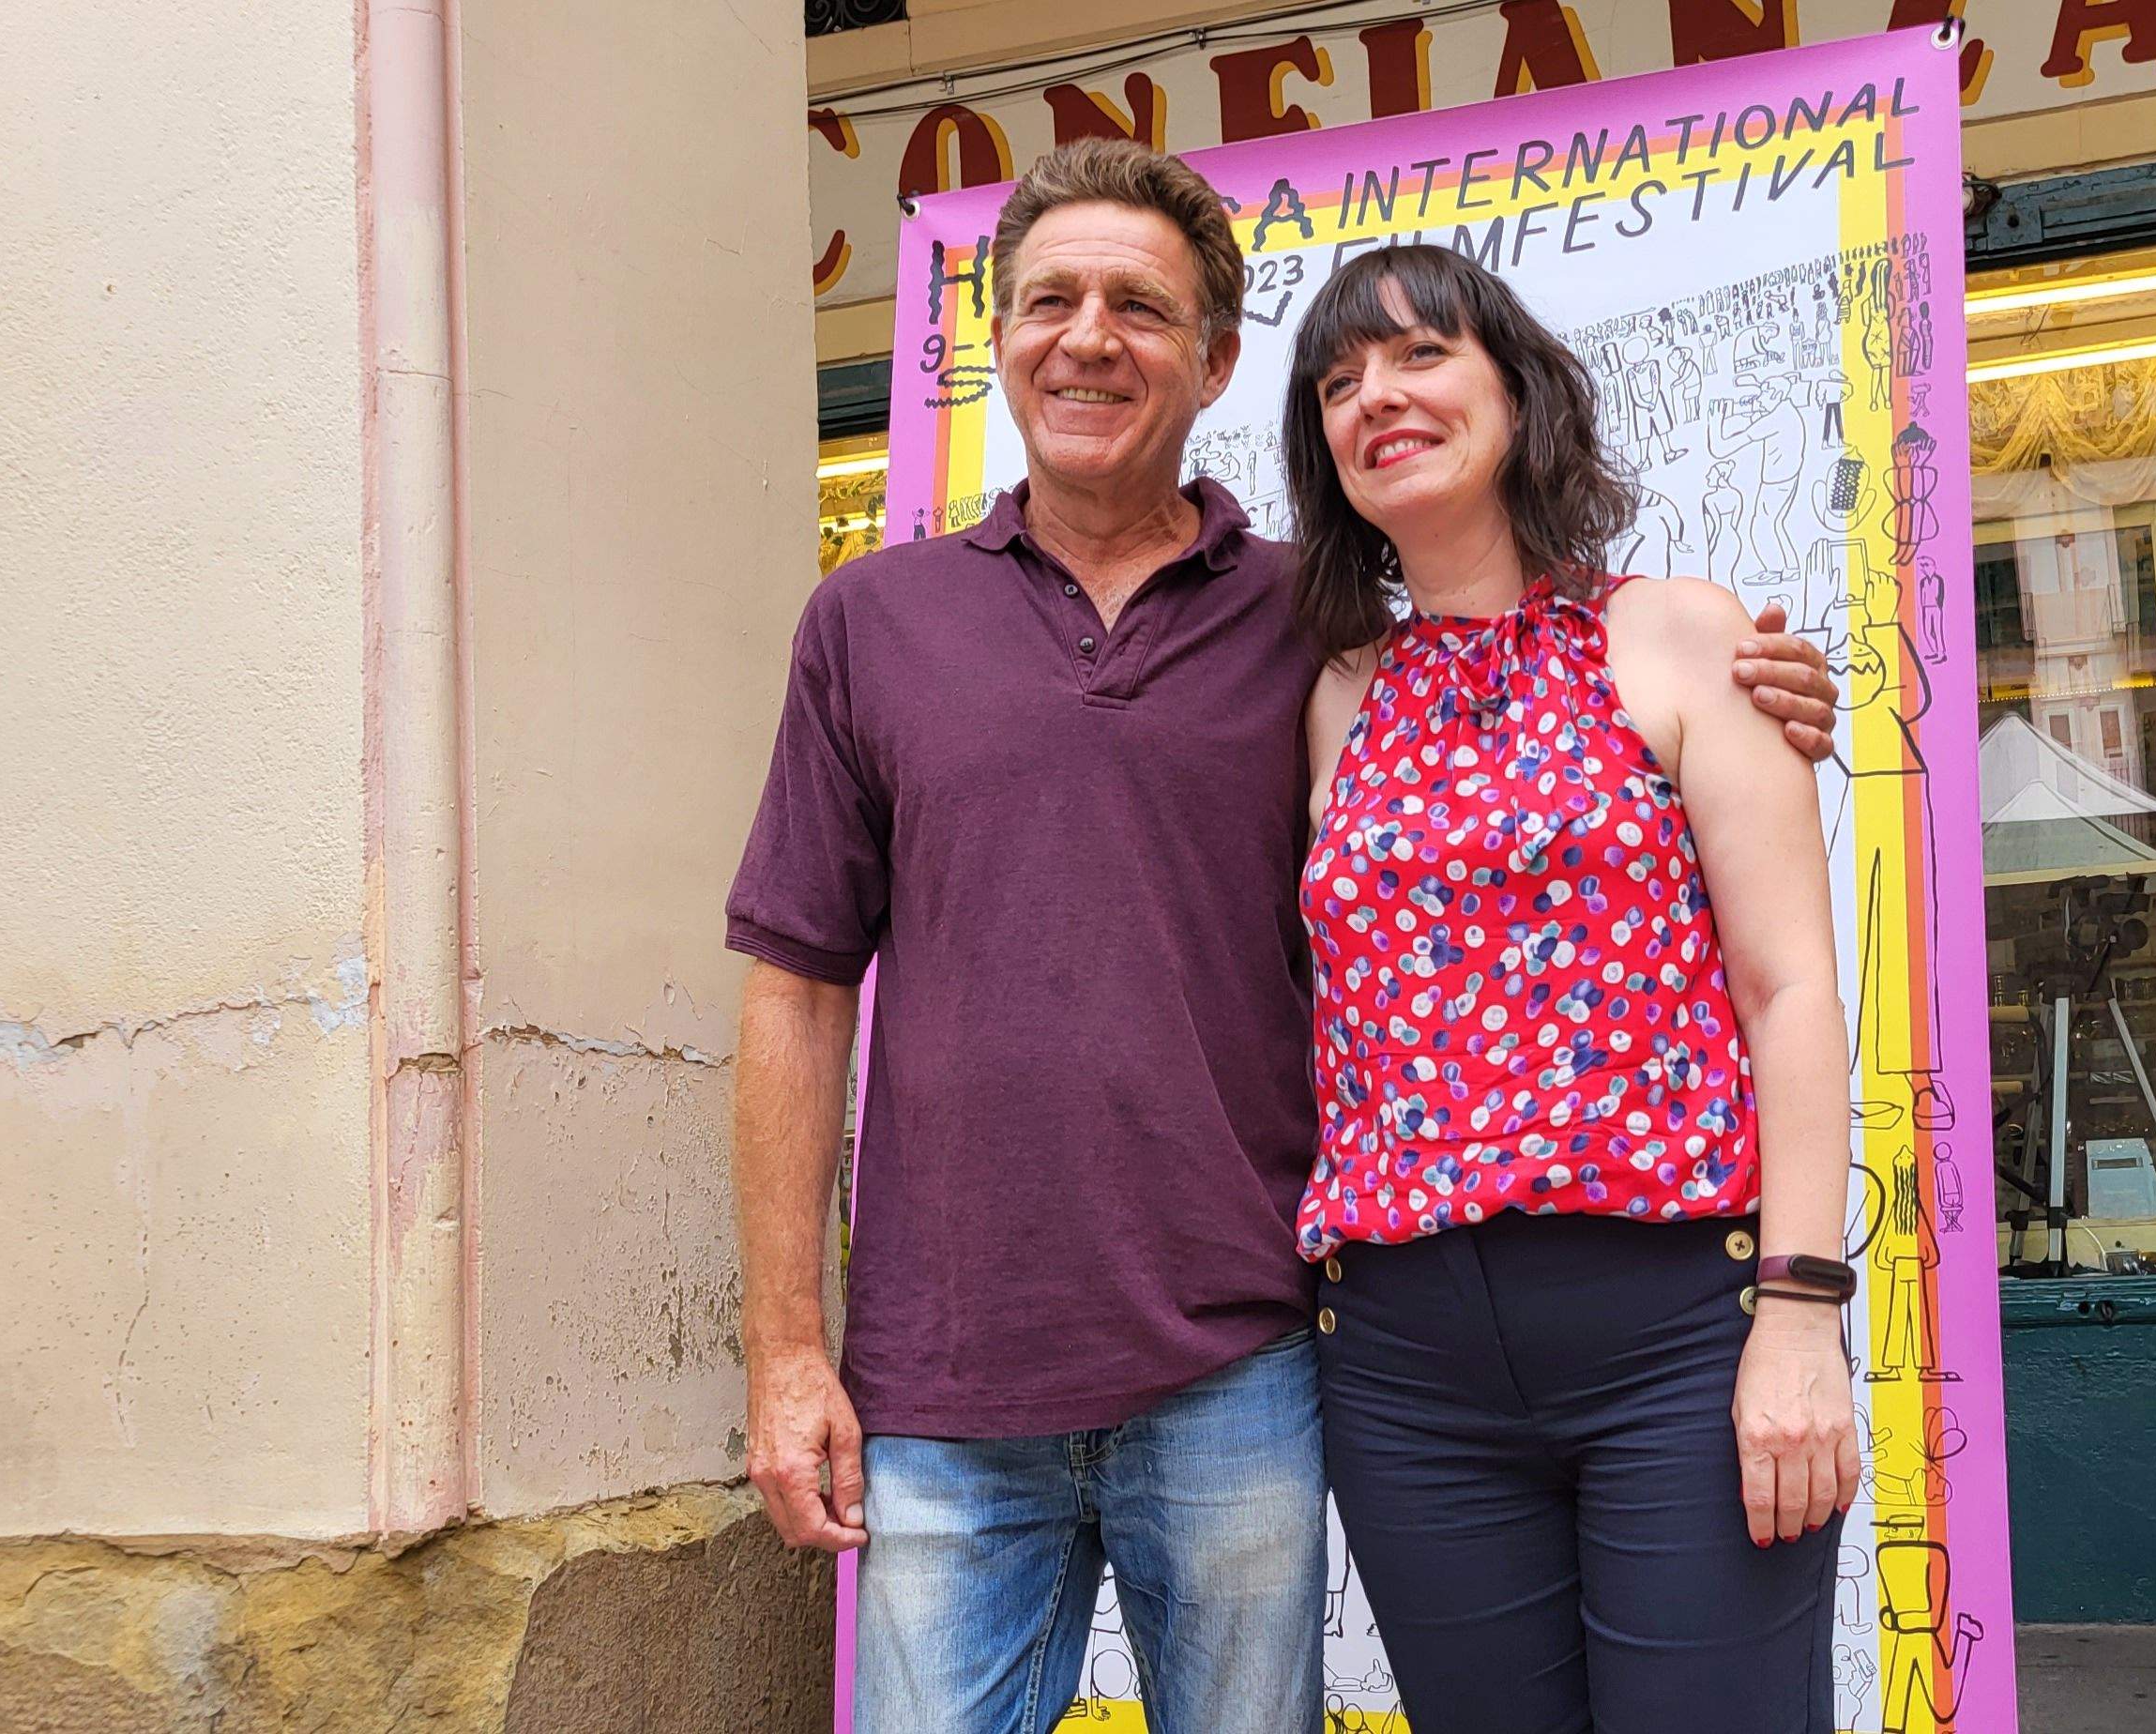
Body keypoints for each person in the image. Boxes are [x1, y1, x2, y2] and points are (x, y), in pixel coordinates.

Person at [721, 140, 1843, 1733]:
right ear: (998, 340)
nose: (1088, 337)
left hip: (1270, 1364)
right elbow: (798, 984)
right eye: (1049, 300)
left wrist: (1777, 688)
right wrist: (785, 1348)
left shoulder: (1363, 639)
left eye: (1139, 306)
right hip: (1027, 1380)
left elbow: (1749, 942)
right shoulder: (914, 626)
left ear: (1215, 362)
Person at [1283, 242, 1860, 1734]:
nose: (1377, 398)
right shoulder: (1331, 698)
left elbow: (1791, 987)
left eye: (1419, 357)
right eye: (1339, 384)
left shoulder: (1674, 635)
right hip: (1404, 1365)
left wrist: (1799, 1313)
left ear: (1517, 391)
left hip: (1675, 1326)